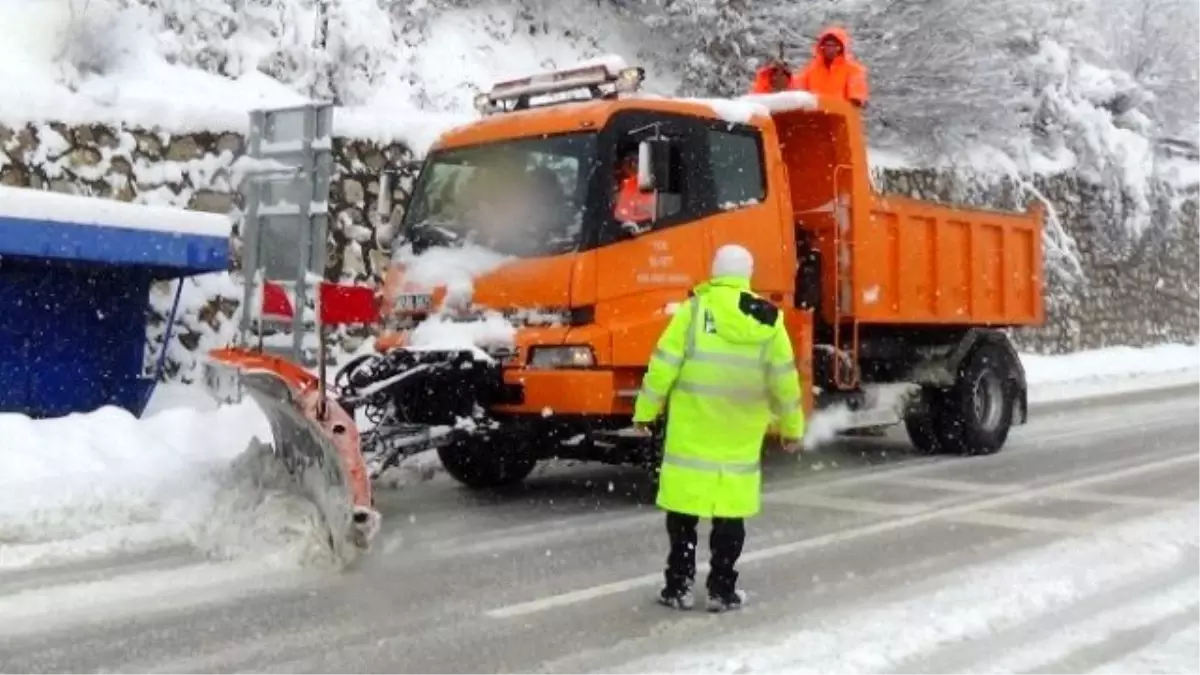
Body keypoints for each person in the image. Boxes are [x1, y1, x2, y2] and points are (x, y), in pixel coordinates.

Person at [631, 244, 807, 613]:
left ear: (715, 271)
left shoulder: (694, 312)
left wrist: (645, 412)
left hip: (692, 434)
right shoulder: (767, 319)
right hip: (738, 435)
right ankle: (721, 589)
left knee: (683, 514)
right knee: (730, 515)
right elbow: (785, 383)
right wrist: (792, 429)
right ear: (747, 274)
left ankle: (678, 586)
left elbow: (662, 365)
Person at [749, 27, 870, 108]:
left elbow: (857, 97)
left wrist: (855, 100)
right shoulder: (811, 70)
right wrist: (779, 74)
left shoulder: (853, 70)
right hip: (816, 122)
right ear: (821, 47)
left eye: (834, 46)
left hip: (841, 123)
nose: (830, 49)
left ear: (841, 47)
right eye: (827, 46)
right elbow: (794, 87)